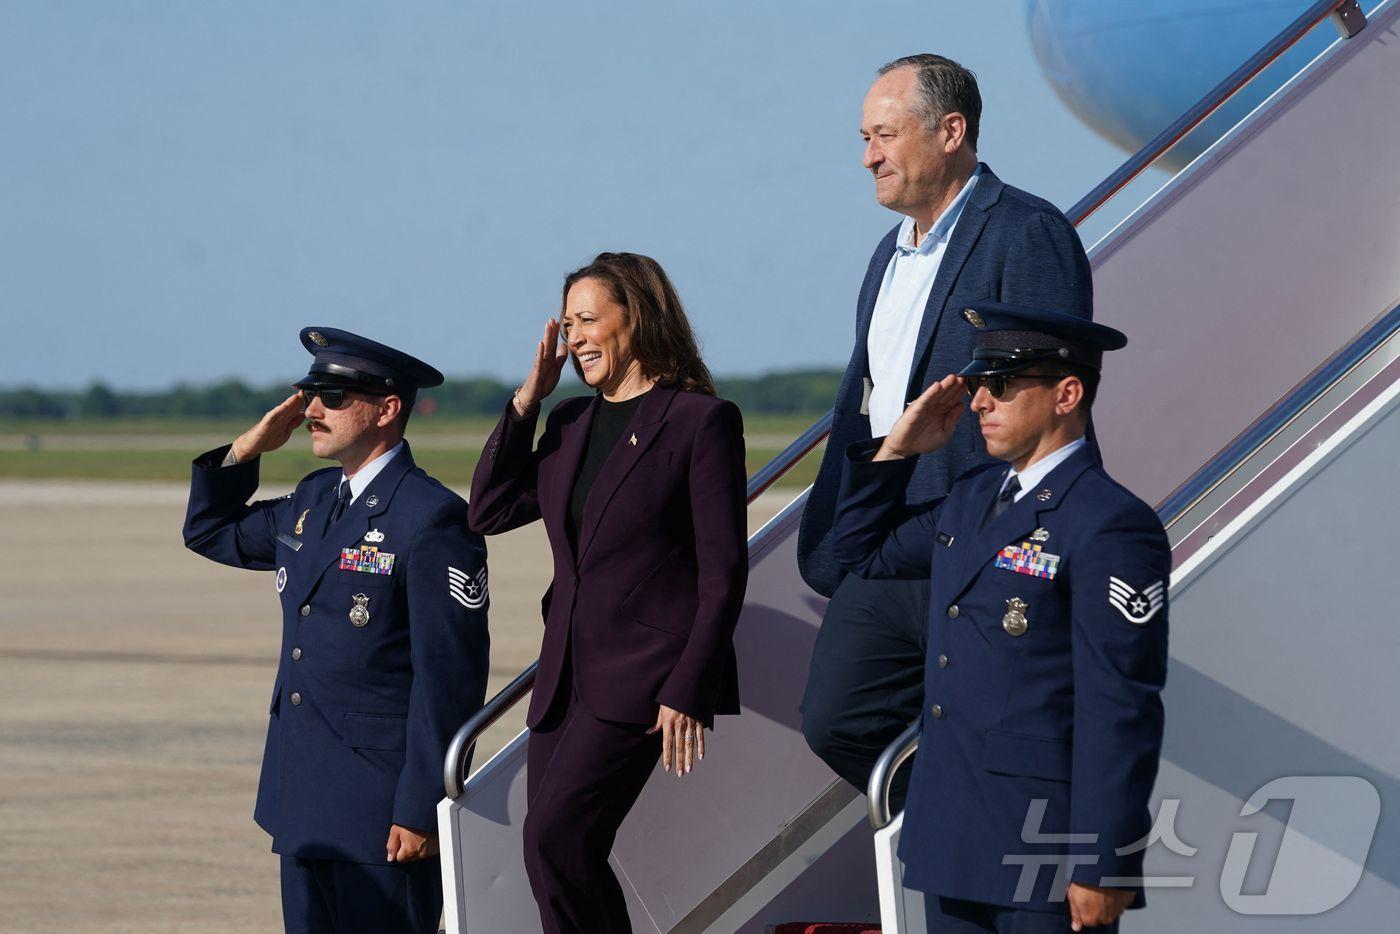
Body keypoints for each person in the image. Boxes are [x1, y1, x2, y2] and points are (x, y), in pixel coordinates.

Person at [797, 53, 1095, 806]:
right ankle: (957, 820)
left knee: (1008, 726)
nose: (868, 156)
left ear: (951, 131)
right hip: (888, 533)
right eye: (865, 138)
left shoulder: (1026, 232)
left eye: (885, 136)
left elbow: (1052, 392)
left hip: (982, 529)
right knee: (838, 718)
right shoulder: (886, 256)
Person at [831, 302, 1169, 932]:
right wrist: (897, 451)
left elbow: (1120, 707)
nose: (981, 402)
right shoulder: (973, 497)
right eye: (981, 384)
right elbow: (858, 552)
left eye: (1004, 385)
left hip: (1041, 850)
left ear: (1067, 393)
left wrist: (1106, 865)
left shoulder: (1109, 522)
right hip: (953, 836)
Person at [468, 252, 748, 934]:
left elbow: (723, 572)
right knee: (554, 853)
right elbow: (490, 509)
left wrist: (689, 685)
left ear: (638, 317)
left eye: (589, 320)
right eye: (568, 325)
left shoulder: (698, 422)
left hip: (644, 678)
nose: (576, 338)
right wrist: (527, 400)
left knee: (555, 839)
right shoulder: (567, 424)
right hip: (565, 679)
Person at [183, 328, 490, 934]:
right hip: (301, 799)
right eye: (308, 393)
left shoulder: (430, 518)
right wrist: (250, 447)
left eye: (332, 396)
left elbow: (449, 678)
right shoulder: (314, 499)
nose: (312, 410)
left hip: (380, 811)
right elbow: (209, 531)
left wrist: (422, 804)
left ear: (387, 408)